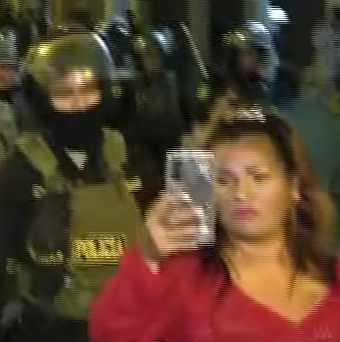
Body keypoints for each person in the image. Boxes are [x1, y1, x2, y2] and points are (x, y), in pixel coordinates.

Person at [90, 108, 340, 341]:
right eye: (223, 180)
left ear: (294, 187)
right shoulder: (184, 278)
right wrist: (147, 256)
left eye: (259, 177)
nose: (241, 193)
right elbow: (111, 334)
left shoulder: (332, 273)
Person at [0, 31, 153, 342]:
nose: (79, 105)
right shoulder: (21, 171)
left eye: (88, 91)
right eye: (64, 94)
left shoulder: (131, 161)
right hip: (49, 328)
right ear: (42, 98)